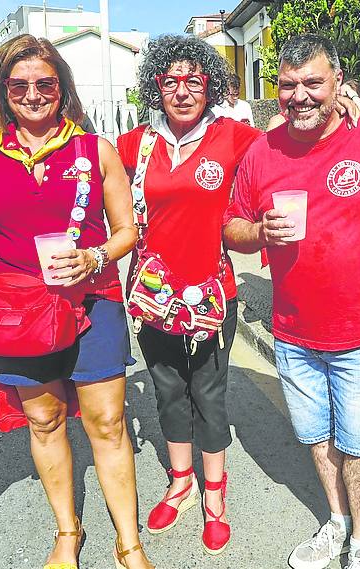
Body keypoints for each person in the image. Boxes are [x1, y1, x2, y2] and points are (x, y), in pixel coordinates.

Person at [224, 34, 360, 569]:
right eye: (288, 86)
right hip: (291, 331)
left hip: (359, 333)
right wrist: (259, 232)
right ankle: (336, 523)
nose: (300, 96)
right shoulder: (262, 151)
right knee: (317, 437)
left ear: (339, 83)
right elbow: (232, 228)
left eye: (314, 83)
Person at [0, 35, 153, 569]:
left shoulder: (96, 150)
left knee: (108, 425)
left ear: (62, 88)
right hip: (19, 309)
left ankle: (129, 542)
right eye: (18, 84)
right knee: (44, 421)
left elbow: (127, 231)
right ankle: (67, 533)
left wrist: (95, 258)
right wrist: (5, 248)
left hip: (94, 302)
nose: (32, 94)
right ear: (4, 91)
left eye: (45, 83)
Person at [116, 33, 261, 556]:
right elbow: (91, 177)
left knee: (210, 394)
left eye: (193, 80)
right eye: (170, 80)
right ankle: (181, 481)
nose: (182, 90)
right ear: (157, 85)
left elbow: (291, 150)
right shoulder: (136, 144)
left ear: (210, 86)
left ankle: (215, 497)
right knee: (168, 391)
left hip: (212, 295)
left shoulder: (235, 137)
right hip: (155, 297)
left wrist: (348, 105)